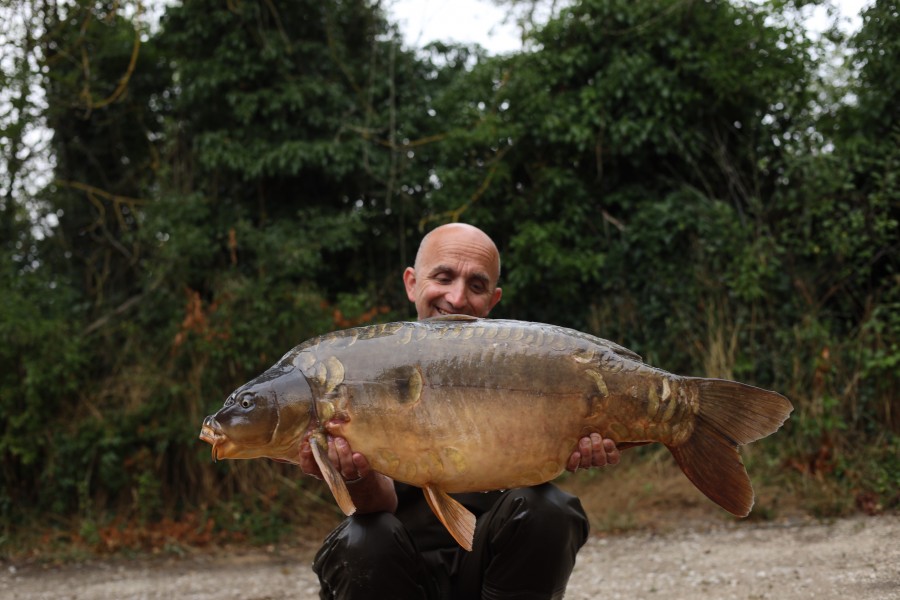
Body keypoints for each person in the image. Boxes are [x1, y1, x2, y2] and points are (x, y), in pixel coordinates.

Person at [300, 223, 620, 599]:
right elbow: (379, 507)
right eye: (444, 277)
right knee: (367, 536)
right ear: (411, 282)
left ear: (493, 299)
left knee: (551, 509)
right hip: (396, 572)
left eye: (477, 285)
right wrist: (352, 474)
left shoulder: (521, 364)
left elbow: (543, 484)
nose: (457, 297)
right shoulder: (361, 367)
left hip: (489, 570)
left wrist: (584, 444)